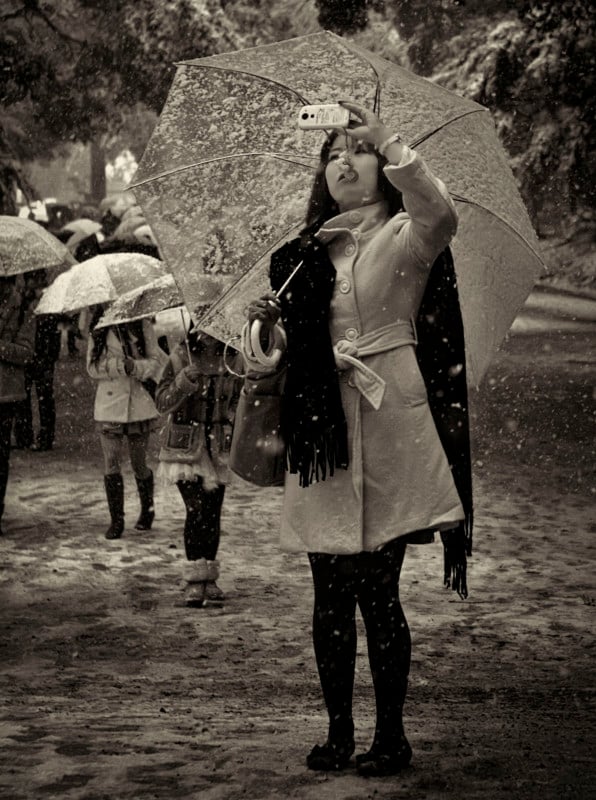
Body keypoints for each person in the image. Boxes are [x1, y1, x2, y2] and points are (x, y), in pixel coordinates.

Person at [242, 100, 472, 777]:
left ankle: (391, 736)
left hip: (391, 420)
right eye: (333, 152)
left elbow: (441, 213)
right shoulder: (299, 254)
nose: (344, 160)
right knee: (327, 590)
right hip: (320, 432)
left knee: (379, 590)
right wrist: (268, 332)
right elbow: (273, 359)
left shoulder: (407, 233)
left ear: (380, 164)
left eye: (356, 149)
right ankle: (339, 732)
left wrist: (392, 143)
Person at [155, 329, 242, 607]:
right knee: (196, 510)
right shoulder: (181, 355)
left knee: (213, 511)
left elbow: (240, 400)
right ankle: (194, 578)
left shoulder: (234, 358)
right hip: (185, 446)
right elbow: (161, 403)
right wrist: (182, 383)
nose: (209, 334)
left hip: (218, 447)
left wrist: (233, 418)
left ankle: (209, 578)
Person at [86, 307, 167, 539]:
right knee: (111, 462)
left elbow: (156, 361)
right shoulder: (99, 328)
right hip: (109, 406)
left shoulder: (141, 326)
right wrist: (119, 366)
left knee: (138, 463)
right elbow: (91, 368)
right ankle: (117, 520)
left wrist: (137, 367)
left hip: (138, 404)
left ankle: (147, 510)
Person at [0, 274, 35, 534]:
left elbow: (26, 353)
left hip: (6, 394)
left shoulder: (23, 310)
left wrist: (1, 347)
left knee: (0, 457)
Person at [13, 270, 62, 451]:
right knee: (24, 396)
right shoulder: (23, 300)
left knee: (44, 396)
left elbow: (52, 329)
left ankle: (44, 436)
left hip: (42, 353)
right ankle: (25, 435)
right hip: (30, 352)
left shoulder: (47, 300)